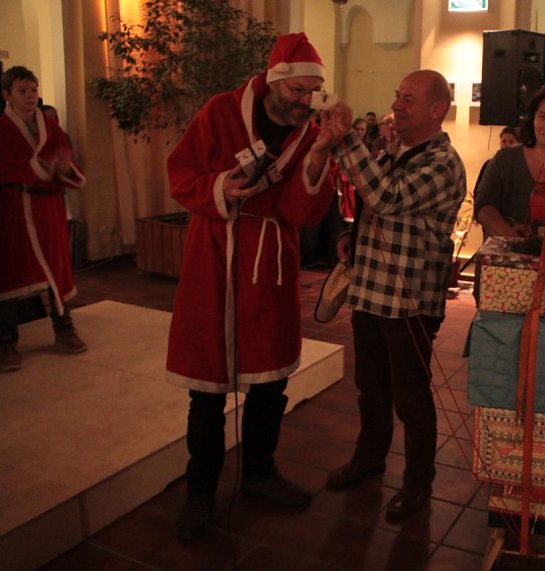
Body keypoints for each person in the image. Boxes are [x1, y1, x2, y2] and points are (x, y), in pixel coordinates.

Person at [165, 33, 336, 541]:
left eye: (312, 93)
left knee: (269, 383)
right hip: (214, 255)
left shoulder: (309, 133)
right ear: (274, 82)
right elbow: (180, 171)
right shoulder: (220, 111)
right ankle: (200, 490)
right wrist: (220, 186)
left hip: (270, 261)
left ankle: (260, 472)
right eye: (297, 91)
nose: (304, 102)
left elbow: (303, 212)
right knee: (206, 390)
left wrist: (318, 158)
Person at [318, 70, 466, 522]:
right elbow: (375, 211)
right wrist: (353, 234)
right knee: (371, 388)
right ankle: (369, 458)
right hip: (370, 292)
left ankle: (418, 483)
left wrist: (345, 137)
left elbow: (387, 198)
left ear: (436, 109)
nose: (397, 105)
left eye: (409, 99)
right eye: (397, 96)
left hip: (409, 303)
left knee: (411, 399)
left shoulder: (443, 162)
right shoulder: (396, 150)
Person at [0, 66, 87, 372]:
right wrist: (39, 168)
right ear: (7, 95)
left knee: (57, 266)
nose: (30, 96)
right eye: (22, 91)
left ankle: (64, 328)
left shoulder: (49, 126)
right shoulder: (2, 129)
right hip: (15, 208)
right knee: (11, 270)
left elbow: (66, 157)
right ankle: (6, 340)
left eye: (34, 90)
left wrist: (63, 168)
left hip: (48, 207)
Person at [474, 84, 545, 238]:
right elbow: (483, 206)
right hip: (508, 250)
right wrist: (509, 233)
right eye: (542, 116)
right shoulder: (505, 159)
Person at [472, 125, 520, 205]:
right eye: (504, 141)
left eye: (511, 142)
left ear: (518, 144)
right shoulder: (489, 164)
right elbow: (478, 190)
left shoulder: (521, 166)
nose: (506, 144)